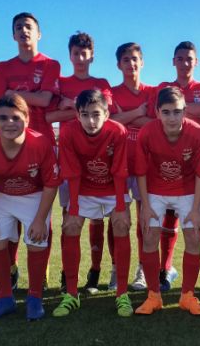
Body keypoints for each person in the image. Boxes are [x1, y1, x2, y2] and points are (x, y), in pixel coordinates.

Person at [0, 12, 60, 290]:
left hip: (41, 145)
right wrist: (31, 96)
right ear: (13, 35)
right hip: (7, 142)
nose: (23, 30)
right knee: (7, 203)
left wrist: (12, 94)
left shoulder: (50, 64)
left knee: (39, 210)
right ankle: (11, 267)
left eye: (29, 27)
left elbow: (45, 98)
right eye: (18, 27)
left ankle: (38, 280)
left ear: (38, 33)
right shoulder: (3, 67)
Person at [53, 89, 132, 318]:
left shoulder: (118, 131)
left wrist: (121, 207)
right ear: (77, 115)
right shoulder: (68, 132)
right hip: (84, 189)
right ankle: (71, 294)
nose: (91, 121)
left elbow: (119, 171)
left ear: (106, 114)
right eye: (85, 114)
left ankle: (122, 293)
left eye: (96, 114)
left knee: (121, 224)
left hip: (112, 189)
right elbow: (72, 173)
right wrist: (74, 209)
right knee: (70, 226)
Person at [46, 32, 114, 295]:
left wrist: (72, 104)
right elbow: (49, 115)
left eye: (85, 53)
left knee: (97, 218)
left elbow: (105, 113)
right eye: (76, 53)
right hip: (69, 157)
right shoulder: (61, 83)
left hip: (98, 158)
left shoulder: (101, 83)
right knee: (69, 216)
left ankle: (94, 273)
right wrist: (77, 108)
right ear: (70, 55)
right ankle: (68, 275)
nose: (80, 57)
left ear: (92, 56)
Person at [134, 86, 200, 315]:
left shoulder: (198, 133)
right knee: (149, 237)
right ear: (157, 112)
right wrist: (145, 206)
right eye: (166, 112)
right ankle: (153, 296)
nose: (172, 118)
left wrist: (196, 208)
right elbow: (141, 171)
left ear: (185, 111)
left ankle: (187, 296)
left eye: (177, 112)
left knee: (193, 237)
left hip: (187, 190)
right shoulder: (147, 133)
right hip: (155, 189)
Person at [0, 94, 59, 321]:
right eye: (3, 118)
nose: (10, 123)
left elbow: (51, 184)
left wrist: (40, 219)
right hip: (1, 195)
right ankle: (5, 299)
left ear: (27, 119)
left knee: (37, 239)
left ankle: (34, 298)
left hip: (34, 196)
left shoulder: (40, 143)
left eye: (16, 118)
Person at [150, 41, 200, 292]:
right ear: (173, 61)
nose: (185, 63)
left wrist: (177, 107)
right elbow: (155, 113)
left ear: (196, 62)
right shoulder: (163, 87)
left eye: (189, 58)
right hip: (167, 162)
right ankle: (165, 269)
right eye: (180, 58)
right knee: (168, 218)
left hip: (196, 162)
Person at [111, 42, 155, 291]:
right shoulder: (111, 92)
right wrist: (138, 112)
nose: (131, 63)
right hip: (117, 162)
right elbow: (109, 121)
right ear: (119, 65)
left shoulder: (153, 92)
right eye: (126, 59)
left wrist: (125, 116)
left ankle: (142, 269)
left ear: (142, 62)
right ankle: (116, 269)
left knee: (144, 218)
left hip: (145, 164)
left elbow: (156, 123)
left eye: (135, 58)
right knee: (117, 218)